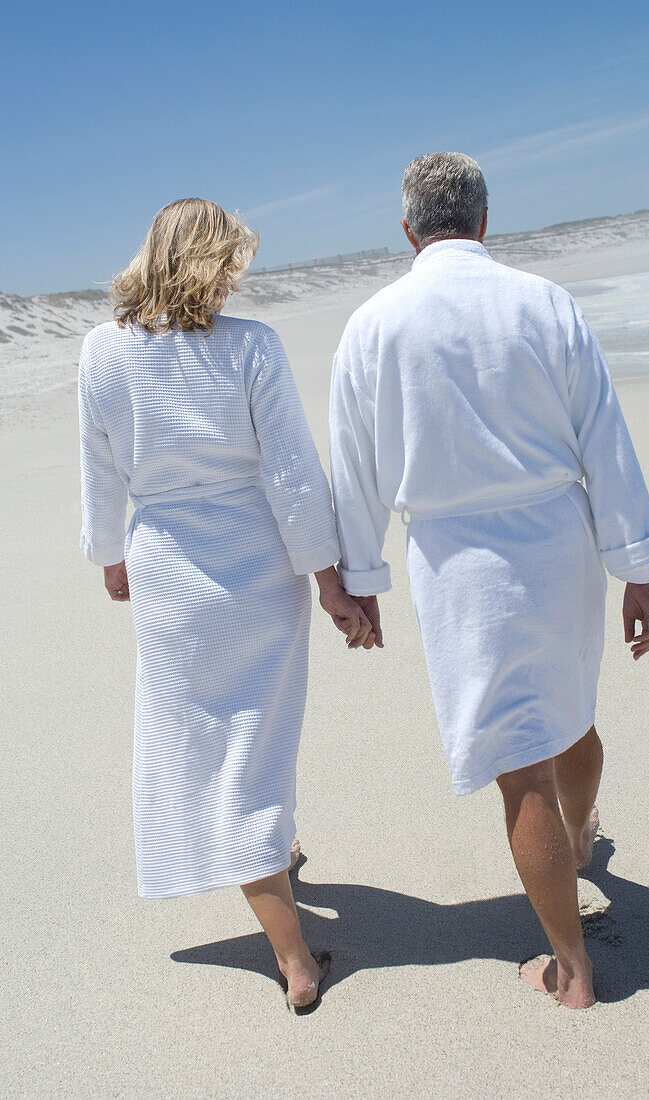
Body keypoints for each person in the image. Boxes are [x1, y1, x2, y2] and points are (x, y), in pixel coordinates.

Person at [328, 152, 649, 1009]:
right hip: (561, 540)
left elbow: (355, 468)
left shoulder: (373, 322)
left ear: (407, 230)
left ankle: (573, 969)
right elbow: (605, 439)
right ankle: (581, 836)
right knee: (573, 713)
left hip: (457, 563)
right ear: (483, 221)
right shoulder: (543, 302)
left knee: (519, 771)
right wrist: (635, 567)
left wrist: (358, 579)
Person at [78, 198, 376, 1009]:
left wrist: (110, 557)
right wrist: (328, 579)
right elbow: (288, 472)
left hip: (168, 569)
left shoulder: (103, 351)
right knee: (253, 739)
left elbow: (100, 467)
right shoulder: (251, 347)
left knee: (212, 736)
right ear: (218, 261)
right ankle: (295, 956)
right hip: (255, 566)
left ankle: (273, 850)